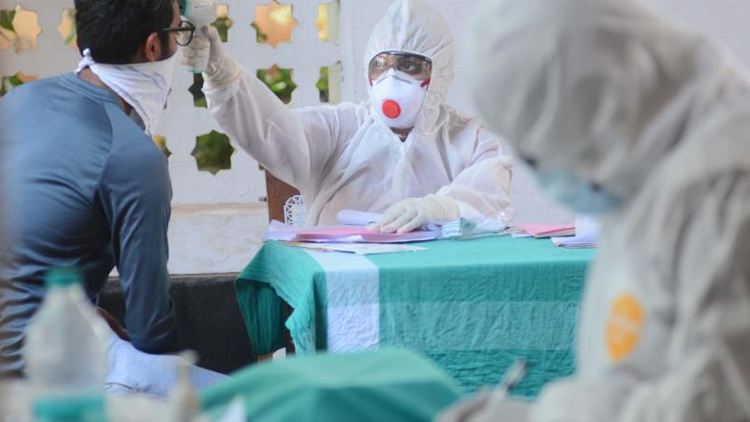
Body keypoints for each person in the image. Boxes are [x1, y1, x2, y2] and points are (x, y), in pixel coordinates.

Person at [438, 0, 750, 420]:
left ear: (604, 108)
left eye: (550, 154)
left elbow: (718, 405)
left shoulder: (723, 185)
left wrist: (550, 416)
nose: (553, 175)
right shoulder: (645, 157)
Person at [0, 0, 225, 395]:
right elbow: (150, 330)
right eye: (179, 30)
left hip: (38, 338)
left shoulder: (17, 102)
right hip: (42, 369)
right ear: (152, 46)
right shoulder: (131, 156)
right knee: (254, 404)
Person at [183, 0, 513, 233]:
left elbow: (490, 188)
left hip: (434, 277)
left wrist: (438, 208)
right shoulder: (341, 128)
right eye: (381, 65)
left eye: (411, 66)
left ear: (439, 74)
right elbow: (272, 131)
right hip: (345, 277)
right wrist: (222, 75)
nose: (392, 78)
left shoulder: (469, 138)